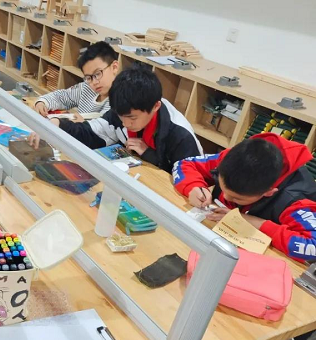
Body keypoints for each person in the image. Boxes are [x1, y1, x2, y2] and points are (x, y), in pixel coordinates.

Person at [28, 66, 202, 173]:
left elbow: (192, 179)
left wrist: (150, 155)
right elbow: (91, 133)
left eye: (132, 118)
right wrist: (57, 124)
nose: (125, 124)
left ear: (155, 106)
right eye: (121, 117)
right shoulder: (121, 111)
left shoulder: (181, 136)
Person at [173, 133, 316, 261]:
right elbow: (185, 163)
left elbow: (312, 246)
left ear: (269, 192)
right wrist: (193, 186)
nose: (226, 197)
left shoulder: (296, 201)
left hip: (254, 261)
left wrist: (252, 221)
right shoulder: (233, 160)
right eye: (222, 188)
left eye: (237, 198)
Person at [34, 41, 118, 120]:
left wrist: (82, 126)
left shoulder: (119, 100)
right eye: (89, 78)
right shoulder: (86, 88)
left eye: (98, 74)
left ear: (114, 67)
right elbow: (61, 97)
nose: (94, 82)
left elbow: (102, 126)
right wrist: (42, 103)